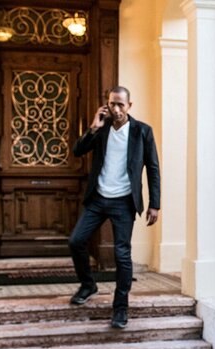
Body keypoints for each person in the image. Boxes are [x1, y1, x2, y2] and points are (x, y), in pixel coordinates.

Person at [68, 86, 160, 329]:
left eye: (121, 104)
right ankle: (88, 285)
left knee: (122, 255)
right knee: (76, 241)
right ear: (106, 105)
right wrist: (93, 128)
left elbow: (153, 169)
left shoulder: (142, 131)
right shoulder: (101, 129)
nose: (116, 109)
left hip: (124, 202)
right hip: (98, 198)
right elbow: (78, 151)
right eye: (112, 104)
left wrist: (154, 205)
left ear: (130, 105)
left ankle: (120, 308)